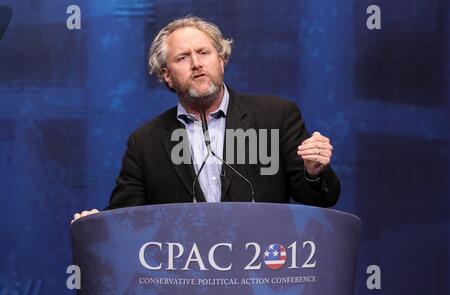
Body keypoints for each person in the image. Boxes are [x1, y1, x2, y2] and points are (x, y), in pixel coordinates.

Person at [72, 16, 340, 223]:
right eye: (183, 57)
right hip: (186, 280)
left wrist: (313, 173)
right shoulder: (145, 143)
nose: (197, 63)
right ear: (166, 75)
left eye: (204, 53)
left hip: (260, 272)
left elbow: (319, 197)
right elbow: (126, 218)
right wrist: (98, 225)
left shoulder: (276, 116)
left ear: (221, 60)